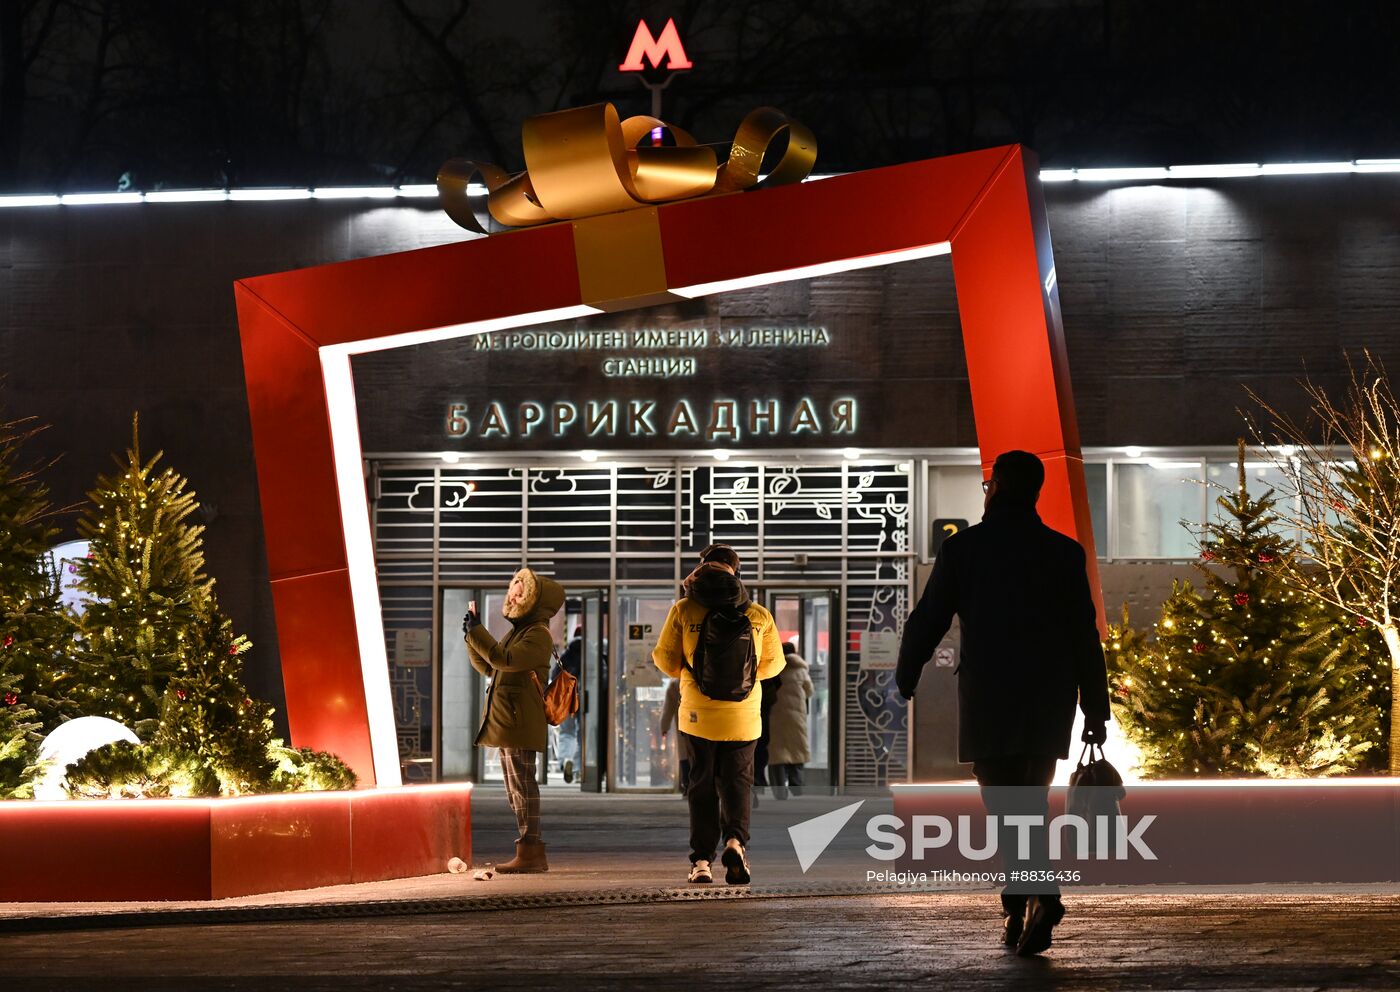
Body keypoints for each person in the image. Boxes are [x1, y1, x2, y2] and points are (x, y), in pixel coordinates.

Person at [895, 450, 1110, 957]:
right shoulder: (1064, 552)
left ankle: (1038, 895)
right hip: (1049, 697)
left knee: (1006, 804)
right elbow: (1084, 635)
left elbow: (930, 617)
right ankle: (1020, 906)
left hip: (990, 696)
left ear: (994, 489)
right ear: (1035, 491)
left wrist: (907, 672)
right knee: (1029, 799)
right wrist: (1095, 708)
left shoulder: (964, 549)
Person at [653, 543, 784, 885]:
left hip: (698, 715)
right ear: (736, 572)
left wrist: (693, 667)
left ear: (701, 569)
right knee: (738, 783)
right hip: (743, 717)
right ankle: (736, 842)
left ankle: (701, 861)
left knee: (701, 784)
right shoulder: (758, 614)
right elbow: (772, 666)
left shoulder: (684, 609)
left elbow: (667, 662)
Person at [463, 567, 565, 874]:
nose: (513, 597)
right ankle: (527, 850)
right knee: (515, 789)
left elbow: (503, 660)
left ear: (534, 601)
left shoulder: (537, 634)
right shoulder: (520, 632)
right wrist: (471, 637)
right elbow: (490, 666)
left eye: (520, 594)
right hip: (511, 719)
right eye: (513, 592)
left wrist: (477, 632)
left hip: (521, 720)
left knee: (523, 787)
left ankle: (531, 852)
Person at [768, 640, 814, 799]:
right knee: (797, 748)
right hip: (796, 716)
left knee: (777, 752)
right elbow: (809, 691)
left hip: (775, 715)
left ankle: (779, 791)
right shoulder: (801, 670)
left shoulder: (774, 669)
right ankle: (796, 785)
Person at [555, 624, 583, 783]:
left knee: (567, 733)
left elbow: (555, 675)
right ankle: (579, 769)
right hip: (586, 699)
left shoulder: (567, 655)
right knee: (583, 735)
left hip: (566, 699)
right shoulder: (593, 652)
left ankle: (566, 760)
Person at [658, 677, 690, 793]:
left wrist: (664, 727)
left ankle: (687, 784)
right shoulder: (703, 677)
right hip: (703, 727)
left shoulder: (675, 683)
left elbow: (668, 708)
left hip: (684, 727)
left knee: (685, 755)